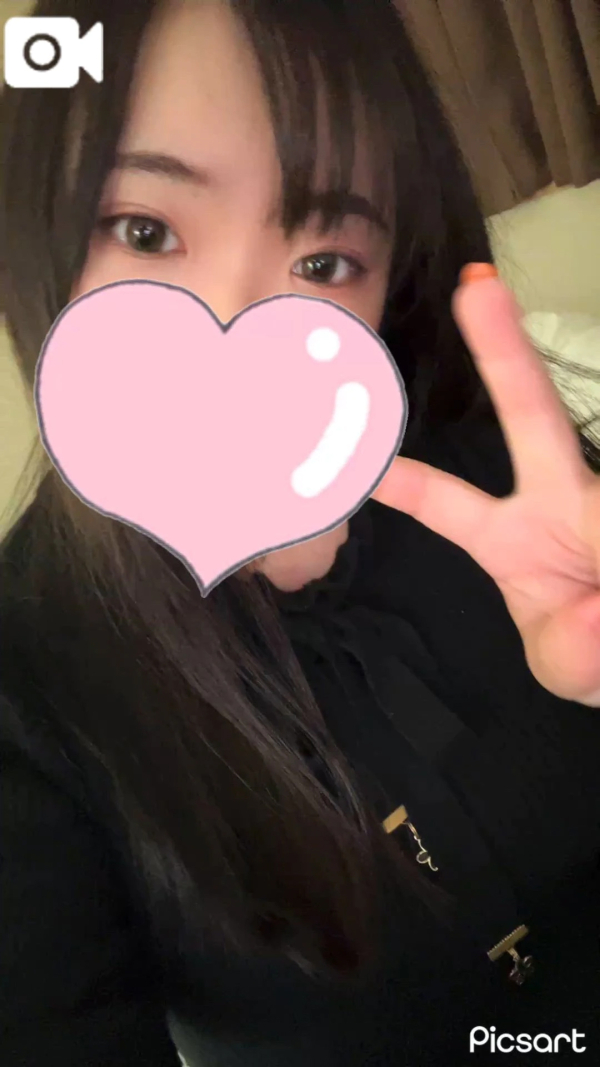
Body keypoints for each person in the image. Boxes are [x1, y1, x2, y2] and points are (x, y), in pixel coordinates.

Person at [1, 1, 599, 1064]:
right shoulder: (27, 687)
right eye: (145, 231)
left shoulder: (498, 466)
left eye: (324, 263)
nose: (233, 326)